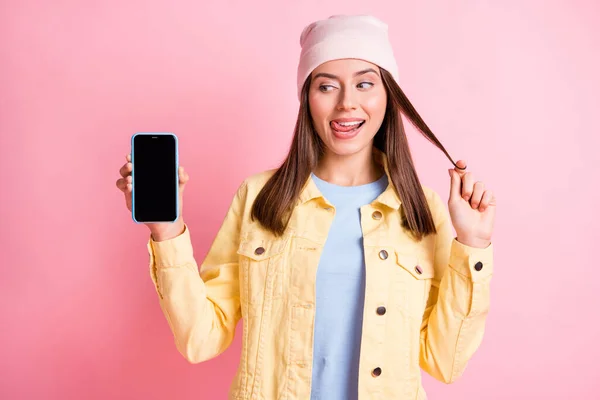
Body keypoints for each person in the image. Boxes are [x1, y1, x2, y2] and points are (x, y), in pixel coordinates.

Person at [116, 14, 496, 400]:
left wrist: (474, 244)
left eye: (365, 84)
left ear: (388, 96)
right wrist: (166, 232)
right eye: (327, 86)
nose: (347, 103)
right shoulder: (260, 197)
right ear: (307, 99)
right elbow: (201, 338)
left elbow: (445, 362)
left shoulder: (423, 211)